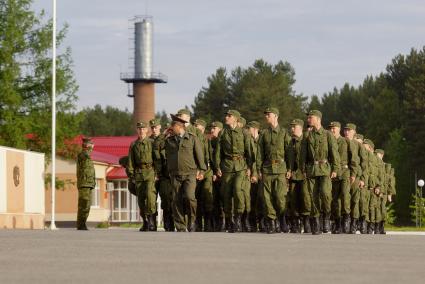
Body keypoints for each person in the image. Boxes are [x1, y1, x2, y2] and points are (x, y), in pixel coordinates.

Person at [165, 114, 206, 232]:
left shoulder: (192, 138)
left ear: (180, 126)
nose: (171, 129)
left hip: (190, 173)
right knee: (176, 199)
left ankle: (192, 220)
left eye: (173, 127)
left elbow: (199, 155)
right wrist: (164, 136)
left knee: (190, 197)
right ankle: (180, 226)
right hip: (175, 174)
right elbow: (162, 152)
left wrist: (202, 170)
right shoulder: (169, 140)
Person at [215, 109, 254, 233]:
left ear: (236, 119)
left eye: (229, 116)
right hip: (227, 166)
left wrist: (250, 167)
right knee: (226, 194)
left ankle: (238, 218)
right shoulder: (223, 133)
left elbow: (250, 151)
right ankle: (229, 220)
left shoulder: (244, 133)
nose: (226, 117)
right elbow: (218, 152)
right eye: (226, 115)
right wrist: (217, 167)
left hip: (241, 166)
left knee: (238, 190)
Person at [255, 107, 293, 234]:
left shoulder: (284, 133)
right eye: (266, 115)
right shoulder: (264, 133)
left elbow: (289, 152)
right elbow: (259, 153)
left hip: (281, 169)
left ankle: (282, 218)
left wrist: (290, 168)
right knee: (267, 197)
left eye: (269, 115)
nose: (266, 117)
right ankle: (272, 221)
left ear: (276, 116)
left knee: (280, 196)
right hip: (267, 169)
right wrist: (259, 169)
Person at [302, 110, 339, 235]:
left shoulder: (328, 135)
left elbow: (334, 153)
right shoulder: (307, 136)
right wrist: (303, 170)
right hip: (311, 170)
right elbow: (303, 155)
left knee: (325, 194)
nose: (308, 120)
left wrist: (335, 169)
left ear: (318, 119)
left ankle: (327, 216)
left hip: (324, 169)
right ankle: (316, 223)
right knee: (313, 197)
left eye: (310, 118)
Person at [127, 122, 159, 231]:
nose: (141, 131)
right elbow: (131, 161)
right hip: (139, 174)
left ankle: (151, 221)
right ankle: (145, 221)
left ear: (147, 130)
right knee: (141, 199)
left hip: (150, 172)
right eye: (139, 129)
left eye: (143, 129)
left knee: (150, 196)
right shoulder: (134, 144)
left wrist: (157, 173)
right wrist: (131, 176)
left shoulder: (152, 142)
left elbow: (156, 159)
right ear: (137, 130)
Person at [329, 122, 359, 234]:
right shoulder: (329, 142)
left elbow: (354, 159)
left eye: (334, 128)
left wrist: (353, 174)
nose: (332, 130)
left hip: (345, 172)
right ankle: (338, 222)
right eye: (331, 128)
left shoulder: (346, 141)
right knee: (335, 199)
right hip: (333, 174)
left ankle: (347, 219)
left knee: (345, 195)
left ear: (339, 129)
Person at [150, 118, 174, 231]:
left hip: (166, 175)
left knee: (168, 200)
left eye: (156, 127)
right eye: (152, 127)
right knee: (150, 200)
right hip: (154, 174)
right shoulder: (150, 140)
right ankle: (150, 223)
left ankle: (169, 223)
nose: (154, 129)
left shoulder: (170, 140)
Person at [194, 119, 214, 232]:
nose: (196, 128)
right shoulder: (192, 139)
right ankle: (198, 224)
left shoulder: (206, 140)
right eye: (195, 126)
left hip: (207, 171)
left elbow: (209, 156)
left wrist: (210, 171)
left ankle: (208, 223)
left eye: (198, 126)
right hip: (195, 172)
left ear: (202, 128)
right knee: (197, 198)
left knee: (207, 198)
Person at [289, 119, 308, 233]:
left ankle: (306, 222)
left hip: (305, 174)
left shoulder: (306, 140)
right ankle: (295, 223)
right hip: (294, 174)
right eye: (291, 127)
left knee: (305, 198)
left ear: (300, 128)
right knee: (293, 198)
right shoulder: (290, 142)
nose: (292, 129)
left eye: (294, 127)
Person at [76, 137, 96, 230]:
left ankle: (83, 223)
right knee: (83, 204)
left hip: (88, 184)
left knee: (87, 205)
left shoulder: (87, 156)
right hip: (84, 183)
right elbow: (86, 154)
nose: (92, 146)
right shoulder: (83, 154)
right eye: (90, 144)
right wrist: (89, 148)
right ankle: (81, 224)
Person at [209, 121, 225, 231]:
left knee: (225, 199)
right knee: (215, 199)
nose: (211, 130)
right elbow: (211, 158)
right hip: (215, 174)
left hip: (225, 173)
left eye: (214, 128)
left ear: (219, 129)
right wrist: (214, 172)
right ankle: (217, 223)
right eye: (211, 128)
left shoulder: (224, 140)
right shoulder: (211, 142)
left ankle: (226, 221)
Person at [247, 120, 262, 232]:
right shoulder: (248, 141)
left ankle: (262, 222)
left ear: (255, 129)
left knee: (261, 199)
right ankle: (252, 224)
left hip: (261, 173)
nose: (248, 130)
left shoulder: (262, 140)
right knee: (251, 199)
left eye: (250, 128)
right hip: (250, 173)